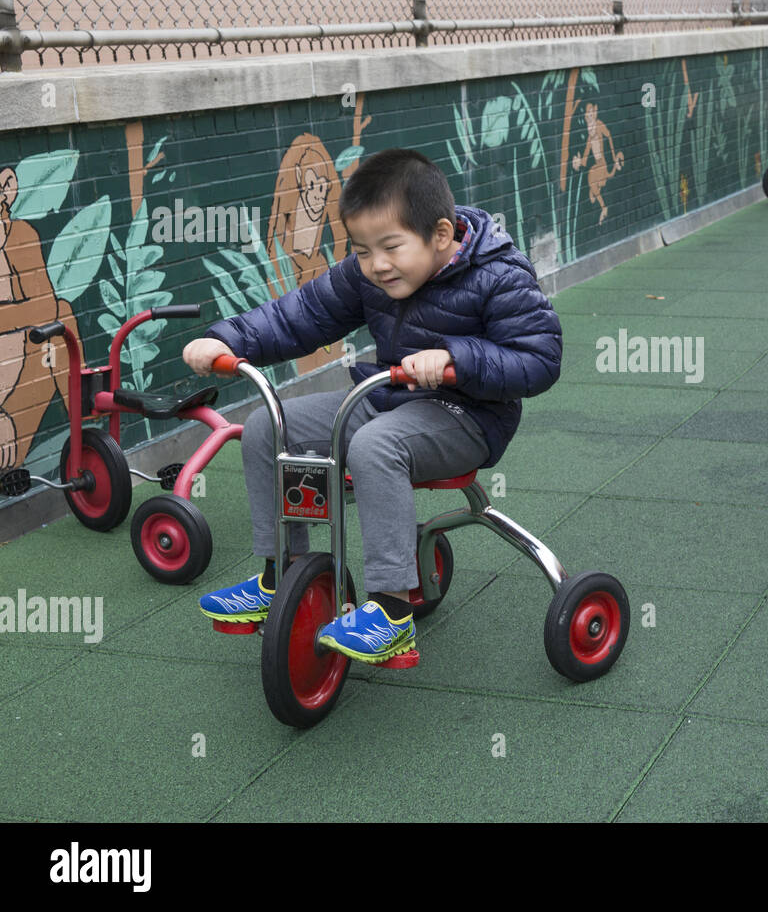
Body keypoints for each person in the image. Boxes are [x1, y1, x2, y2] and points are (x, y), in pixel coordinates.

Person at [184, 149, 562, 663]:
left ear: (442, 235)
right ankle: (282, 571)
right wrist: (226, 339)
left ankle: (391, 610)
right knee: (267, 427)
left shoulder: (498, 275)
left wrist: (459, 357)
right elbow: (300, 316)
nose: (376, 265)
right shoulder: (366, 276)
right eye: (362, 250)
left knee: (374, 446)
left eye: (390, 247)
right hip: (387, 398)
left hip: (469, 416)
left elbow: (539, 359)